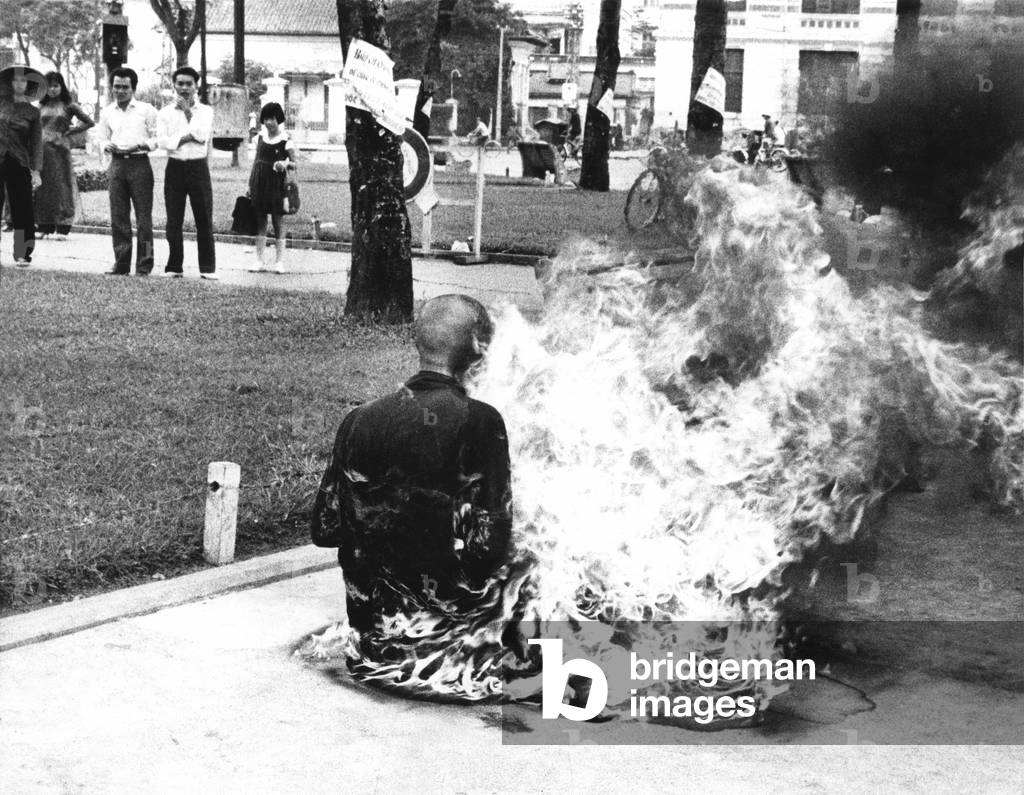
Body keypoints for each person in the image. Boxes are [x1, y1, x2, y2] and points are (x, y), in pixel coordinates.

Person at [311, 295, 513, 642]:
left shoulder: (358, 420)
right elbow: (488, 548)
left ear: (417, 341)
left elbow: (325, 529)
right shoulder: (480, 421)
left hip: (372, 643)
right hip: (448, 649)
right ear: (480, 350)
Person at [95, 67, 158, 276]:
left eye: (125, 87)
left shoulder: (146, 110)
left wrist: (141, 145)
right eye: (116, 87)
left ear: (133, 88)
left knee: (144, 220)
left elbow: (156, 138)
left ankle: (145, 264)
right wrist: (106, 145)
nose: (120, 91)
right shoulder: (107, 112)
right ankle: (121, 263)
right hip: (117, 165)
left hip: (139, 164)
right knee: (118, 217)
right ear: (111, 87)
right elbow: (101, 137)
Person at [157, 66, 217, 279]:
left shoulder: (206, 111)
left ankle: (208, 268)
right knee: (174, 219)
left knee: (204, 218)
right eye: (180, 83)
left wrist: (188, 112)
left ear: (196, 86)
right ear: (174, 85)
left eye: (188, 84)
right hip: (175, 167)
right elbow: (163, 142)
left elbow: (201, 135)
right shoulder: (164, 113)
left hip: (198, 167)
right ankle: (174, 266)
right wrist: (183, 138)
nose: (184, 88)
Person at [36, 72, 94, 241]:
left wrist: (70, 131)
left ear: (61, 86)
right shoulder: (41, 106)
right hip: (41, 149)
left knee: (63, 185)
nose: (52, 89)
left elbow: (89, 122)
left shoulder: (69, 105)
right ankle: (44, 226)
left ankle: (63, 226)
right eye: (49, 86)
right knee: (43, 187)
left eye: (55, 85)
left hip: (60, 148)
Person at [0, 64, 44, 267]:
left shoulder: (33, 113)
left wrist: (36, 171)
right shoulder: (1, 104)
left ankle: (22, 252)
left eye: (23, 80)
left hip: (19, 162)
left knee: (22, 209)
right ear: (10, 83)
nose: (19, 83)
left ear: (28, 85)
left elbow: (36, 144)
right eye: (16, 80)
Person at [245, 102, 297, 274]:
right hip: (259, 182)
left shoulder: (285, 140)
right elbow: (255, 162)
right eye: (266, 119)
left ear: (279, 119)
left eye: (272, 119)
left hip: (276, 184)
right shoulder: (260, 137)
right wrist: (250, 184)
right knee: (260, 222)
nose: (269, 123)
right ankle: (259, 260)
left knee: (278, 221)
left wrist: (285, 163)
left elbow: (294, 163)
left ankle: (279, 261)